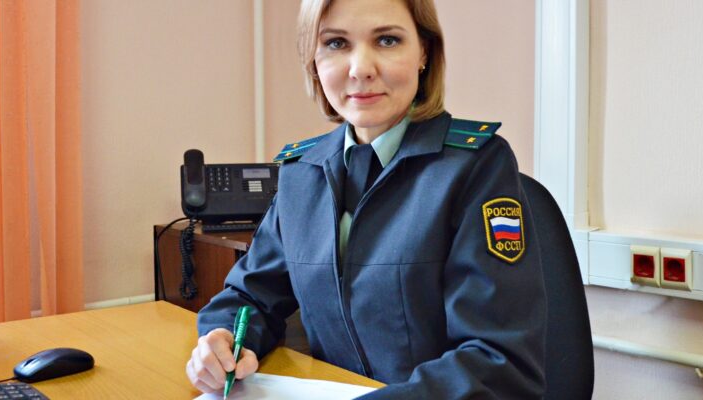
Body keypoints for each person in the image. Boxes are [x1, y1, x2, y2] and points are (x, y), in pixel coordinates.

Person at [186, 0, 547, 398]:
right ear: (314, 61)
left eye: (387, 40)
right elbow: (250, 294)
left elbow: (497, 360)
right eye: (336, 43)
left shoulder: (476, 166)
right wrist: (222, 338)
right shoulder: (301, 173)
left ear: (424, 52)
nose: (360, 69)